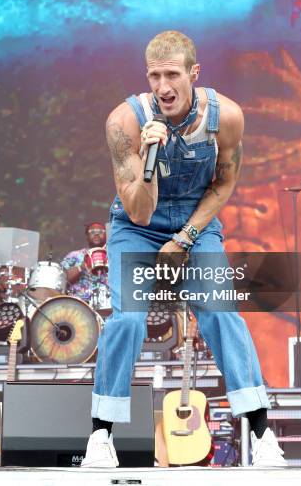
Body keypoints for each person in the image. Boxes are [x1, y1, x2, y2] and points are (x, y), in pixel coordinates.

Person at [81, 31, 286, 468]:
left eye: (172, 74)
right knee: (128, 321)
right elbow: (137, 211)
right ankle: (101, 436)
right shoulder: (126, 122)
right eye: (154, 76)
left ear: (194, 73)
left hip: (196, 224)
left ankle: (263, 433)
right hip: (138, 227)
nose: (163, 86)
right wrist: (151, 157)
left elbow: (225, 182)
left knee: (220, 314)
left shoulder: (226, 116)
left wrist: (185, 238)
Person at [61, 222, 109, 304]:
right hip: (80, 307)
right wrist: (82, 267)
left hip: (108, 307)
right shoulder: (74, 256)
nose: (96, 234)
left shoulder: (113, 256)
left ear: (106, 235)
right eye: (92, 232)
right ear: (87, 237)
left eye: (100, 232)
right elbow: (61, 280)